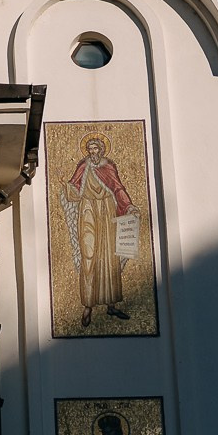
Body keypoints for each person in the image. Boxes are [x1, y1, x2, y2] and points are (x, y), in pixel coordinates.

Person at [59, 135, 135, 326]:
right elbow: (74, 187)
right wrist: (65, 185)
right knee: (89, 256)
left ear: (101, 150)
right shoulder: (83, 166)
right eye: (89, 149)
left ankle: (111, 305)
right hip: (87, 211)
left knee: (109, 256)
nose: (92, 152)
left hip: (107, 210)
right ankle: (87, 306)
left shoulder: (108, 166)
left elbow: (117, 187)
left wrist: (129, 206)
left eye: (95, 149)